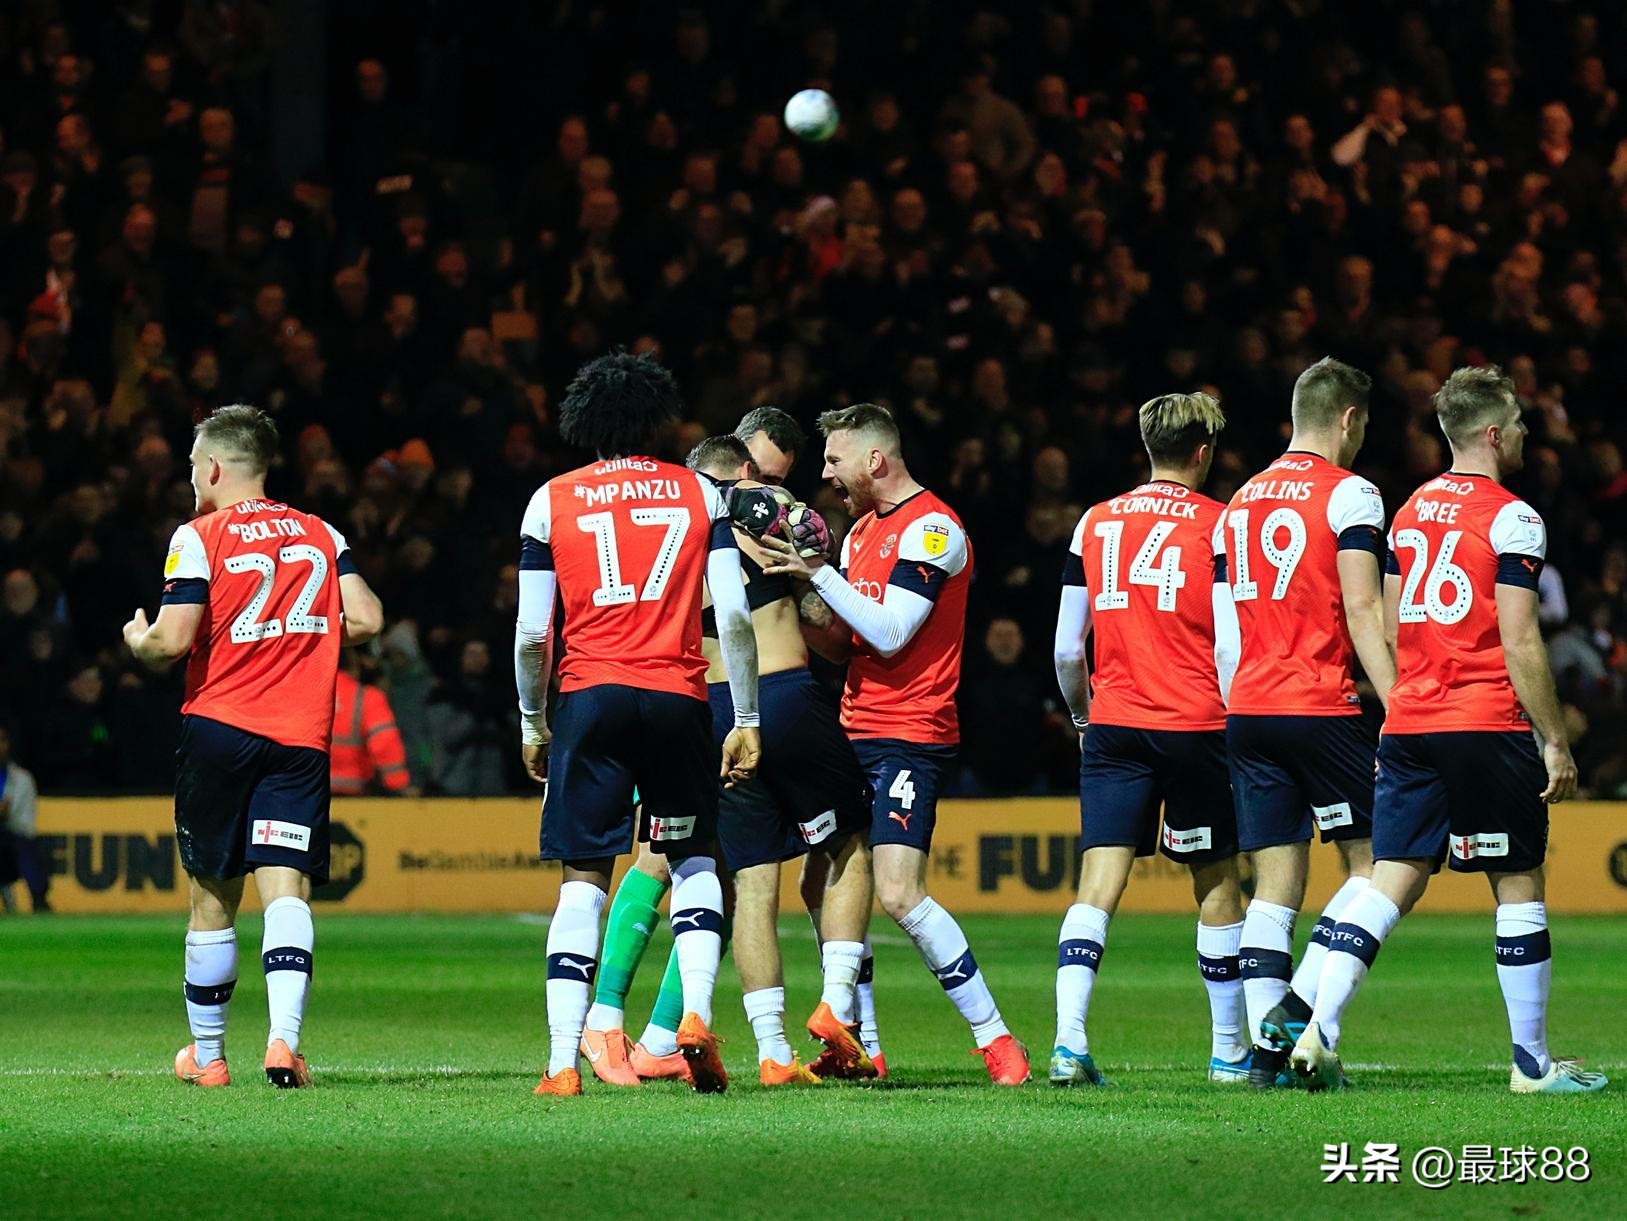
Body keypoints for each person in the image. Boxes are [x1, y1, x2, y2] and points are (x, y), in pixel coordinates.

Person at [1292, 366, 1607, 1095]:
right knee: (1517, 881)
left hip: (1410, 720)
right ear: (1492, 434)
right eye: (1520, 423)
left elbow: (1396, 619)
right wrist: (1553, 739)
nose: (1527, 433)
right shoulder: (1514, 517)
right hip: (1484, 720)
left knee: (1389, 879)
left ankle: (1316, 1028)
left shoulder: (1407, 511)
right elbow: (1521, 639)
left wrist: (1412, 693)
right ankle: (1530, 1064)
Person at [760, 403, 1029, 1085]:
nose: (825, 473)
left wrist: (816, 572)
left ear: (875, 460)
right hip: (852, 724)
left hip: (910, 734)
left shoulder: (933, 529)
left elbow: (888, 632)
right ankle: (861, 1041)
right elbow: (846, 642)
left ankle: (997, 1040)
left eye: (833, 459)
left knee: (900, 893)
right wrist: (790, 590)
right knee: (820, 879)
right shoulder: (857, 535)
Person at [515, 351, 761, 1097]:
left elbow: (532, 633)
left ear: (583, 422)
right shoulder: (699, 493)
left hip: (590, 695)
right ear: (659, 419)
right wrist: (745, 715)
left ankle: (563, 1060)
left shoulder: (549, 498)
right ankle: (692, 1017)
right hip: (678, 696)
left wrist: (532, 719)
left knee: (584, 878)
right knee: (691, 861)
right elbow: (737, 616)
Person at [122, 404, 384, 1089]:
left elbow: (174, 639)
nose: (190, 477)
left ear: (212, 466)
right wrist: (297, 633)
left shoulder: (198, 534)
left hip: (220, 728)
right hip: (298, 738)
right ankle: (283, 1042)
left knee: (212, 895)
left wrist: (138, 639)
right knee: (286, 888)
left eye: (191, 466)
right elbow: (366, 617)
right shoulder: (319, 532)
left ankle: (208, 1057)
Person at [1050, 392, 1248, 1086]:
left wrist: (1082, 721)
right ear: (1202, 452)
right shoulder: (1219, 525)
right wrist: (1237, 717)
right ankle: (1228, 1052)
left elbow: (1066, 652)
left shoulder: (1094, 522)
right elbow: (1228, 644)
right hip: (1196, 723)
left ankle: (1067, 1040)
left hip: (1114, 724)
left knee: (1096, 885)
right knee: (1218, 880)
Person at [1220, 357, 1396, 1088]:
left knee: (1272, 888)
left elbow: (1225, 622)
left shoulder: (1240, 497)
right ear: (1348, 418)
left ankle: (1269, 1062)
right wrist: (1401, 704)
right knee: (1376, 866)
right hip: (1317, 702)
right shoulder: (1350, 493)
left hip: (1249, 705)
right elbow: (1361, 609)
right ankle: (1300, 1022)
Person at [329, 651, 413, 796]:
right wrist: (398, 785)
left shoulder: (302, 693)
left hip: (305, 791)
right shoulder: (367, 697)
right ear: (354, 667)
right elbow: (385, 743)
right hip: (354, 792)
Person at [0, 726, 47, 913]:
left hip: (11, 840)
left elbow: (24, 823)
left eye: (2, 740)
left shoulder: (22, 779)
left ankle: (39, 900)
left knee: (24, 846)